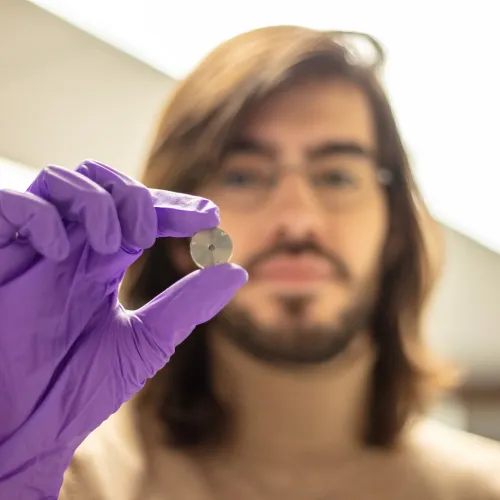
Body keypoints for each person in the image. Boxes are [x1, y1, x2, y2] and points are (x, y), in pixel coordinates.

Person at [1, 26, 499, 500]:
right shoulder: (72, 481)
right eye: (242, 176)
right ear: (176, 233)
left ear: (394, 226)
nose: (299, 220)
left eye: (338, 177)